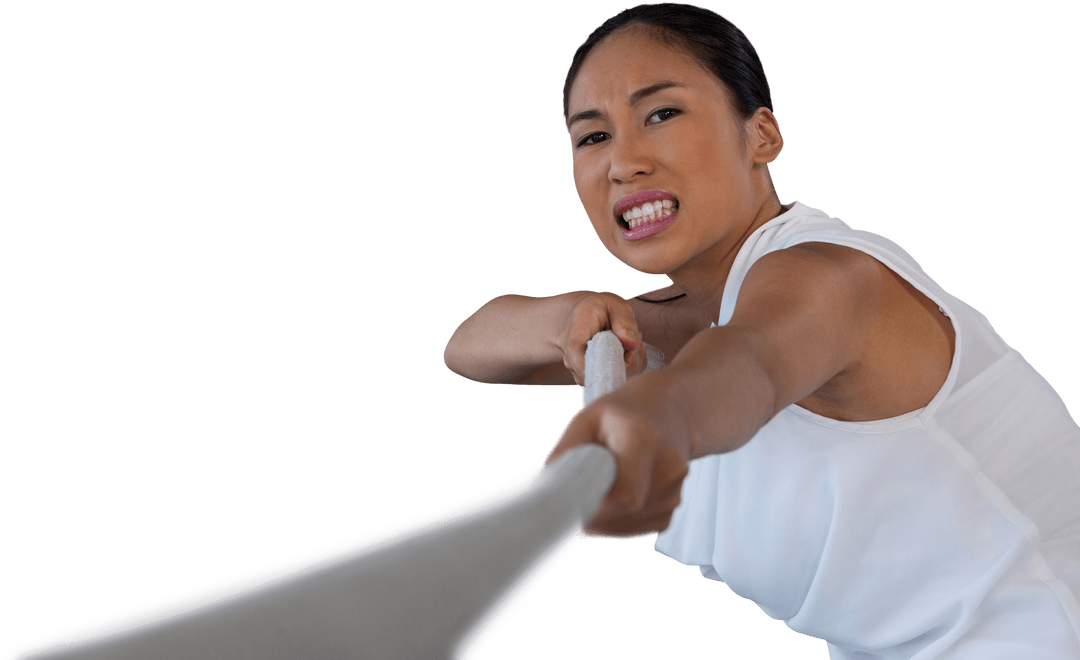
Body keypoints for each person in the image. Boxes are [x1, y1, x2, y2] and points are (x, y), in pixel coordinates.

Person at [442, 3, 1080, 657]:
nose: (623, 163)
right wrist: (565, 319)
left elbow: (748, 363)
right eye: (591, 137)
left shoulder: (830, 279)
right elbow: (469, 346)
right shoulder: (659, 328)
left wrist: (663, 424)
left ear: (763, 136)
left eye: (661, 114)